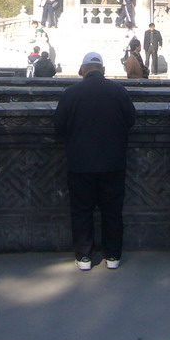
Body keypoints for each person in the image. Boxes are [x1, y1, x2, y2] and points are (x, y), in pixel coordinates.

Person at [53, 52, 137, 270]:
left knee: (81, 210)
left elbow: (59, 126)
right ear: (104, 70)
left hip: (80, 162)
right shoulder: (118, 91)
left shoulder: (71, 93)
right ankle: (113, 255)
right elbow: (131, 120)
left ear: (82, 70)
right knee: (112, 210)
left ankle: (84, 256)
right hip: (113, 162)